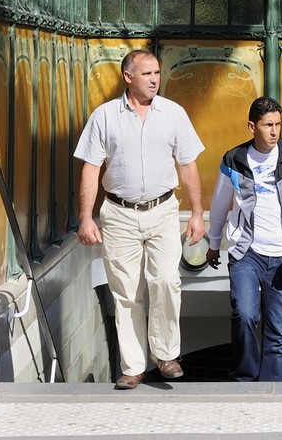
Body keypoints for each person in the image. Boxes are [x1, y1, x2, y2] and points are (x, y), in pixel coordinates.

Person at [75, 49, 205, 390]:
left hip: (163, 210)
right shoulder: (104, 117)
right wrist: (86, 217)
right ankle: (133, 367)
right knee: (126, 292)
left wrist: (196, 212)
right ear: (128, 77)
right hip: (118, 214)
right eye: (147, 74)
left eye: (157, 73)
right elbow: (91, 168)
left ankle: (166, 354)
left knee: (165, 280)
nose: (154, 79)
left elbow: (188, 165)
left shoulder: (174, 114)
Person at [205, 95, 282, 382]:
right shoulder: (234, 159)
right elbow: (220, 204)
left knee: (278, 332)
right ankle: (245, 381)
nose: (275, 131)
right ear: (251, 126)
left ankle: (273, 394)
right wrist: (214, 243)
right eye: (268, 125)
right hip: (246, 253)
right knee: (244, 315)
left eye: (278, 124)